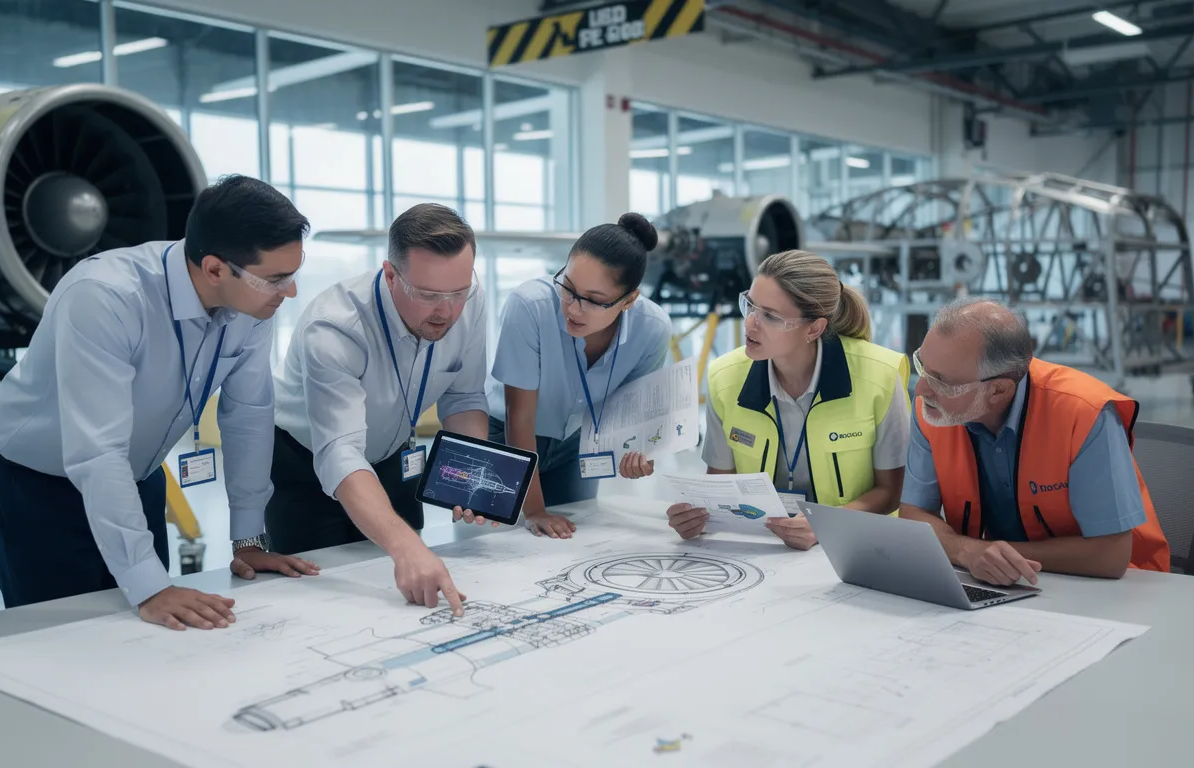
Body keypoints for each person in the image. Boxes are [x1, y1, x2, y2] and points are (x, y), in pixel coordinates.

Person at [0, 175, 319, 631]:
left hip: (138, 478)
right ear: (215, 269)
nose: (289, 292)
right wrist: (151, 587)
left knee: (145, 638)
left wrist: (248, 540)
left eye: (293, 274)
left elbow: (249, 416)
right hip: (35, 488)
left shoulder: (251, 304)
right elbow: (98, 451)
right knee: (62, 644)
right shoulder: (105, 296)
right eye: (276, 279)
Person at [269, 203, 489, 617]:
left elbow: (464, 398)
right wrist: (406, 547)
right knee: (322, 603)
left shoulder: (470, 299)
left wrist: (470, 471)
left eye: (458, 294)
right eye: (429, 296)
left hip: (393, 455)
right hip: (306, 465)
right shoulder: (334, 327)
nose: (447, 311)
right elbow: (340, 451)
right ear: (390, 275)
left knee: (410, 594)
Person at [899, 297, 1171, 586]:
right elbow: (914, 513)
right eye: (922, 366)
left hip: (1120, 590)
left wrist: (991, 555)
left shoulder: (1084, 414)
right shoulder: (934, 411)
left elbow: (1111, 555)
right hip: (1005, 584)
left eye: (941, 381)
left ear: (998, 390)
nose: (921, 388)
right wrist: (966, 550)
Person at [666, 250, 911, 550]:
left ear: (814, 328)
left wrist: (826, 525)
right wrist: (697, 517)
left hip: (853, 547)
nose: (750, 324)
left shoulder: (880, 376)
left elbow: (891, 491)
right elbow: (720, 485)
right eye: (750, 306)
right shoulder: (725, 377)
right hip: (766, 548)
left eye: (770, 316)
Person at [488, 213, 673, 539]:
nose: (573, 308)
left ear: (629, 300)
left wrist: (640, 454)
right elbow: (520, 417)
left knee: (574, 538)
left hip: (576, 443)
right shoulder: (530, 306)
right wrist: (535, 511)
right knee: (493, 542)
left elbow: (635, 418)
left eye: (593, 300)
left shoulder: (653, 329)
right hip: (504, 435)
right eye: (568, 288)